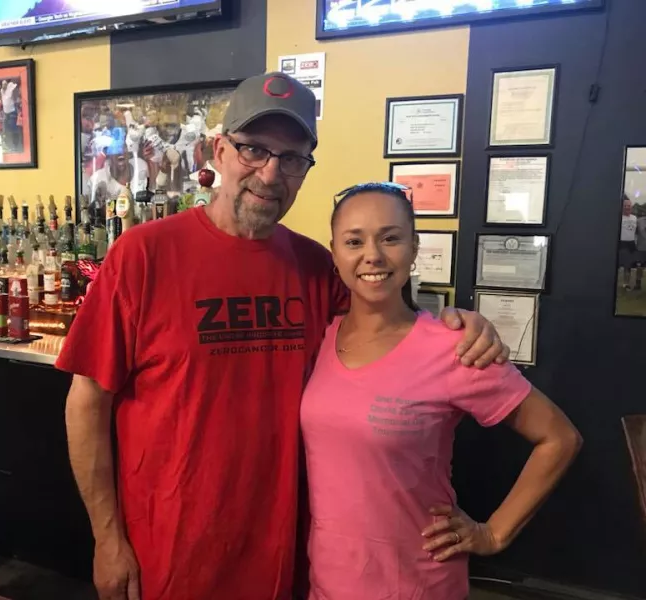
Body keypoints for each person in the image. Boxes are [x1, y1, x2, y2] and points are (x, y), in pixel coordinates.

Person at [55, 72, 509, 600]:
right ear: (219, 151)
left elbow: (388, 326)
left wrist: (457, 321)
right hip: (169, 553)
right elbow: (86, 401)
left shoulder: (316, 267)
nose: (271, 173)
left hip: (287, 556)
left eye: (291, 158)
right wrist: (107, 538)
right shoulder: (142, 255)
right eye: (253, 150)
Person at [300, 183, 583, 600]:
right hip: (328, 581)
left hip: (416, 584)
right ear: (335, 253)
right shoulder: (321, 337)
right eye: (354, 241)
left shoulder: (454, 347)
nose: (373, 255)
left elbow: (559, 438)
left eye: (391, 237)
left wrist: (494, 534)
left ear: (414, 248)